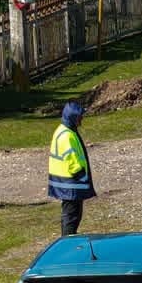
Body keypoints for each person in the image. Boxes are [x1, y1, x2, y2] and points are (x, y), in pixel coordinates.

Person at [46, 100, 95, 236]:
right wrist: (83, 177)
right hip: (71, 184)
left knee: (73, 214)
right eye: (80, 117)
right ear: (73, 118)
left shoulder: (66, 131)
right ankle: (67, 239)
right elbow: (71, 160)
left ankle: (69, 236)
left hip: (68, 183)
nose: (82, 119)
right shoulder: (67, 135)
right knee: (71, 215)